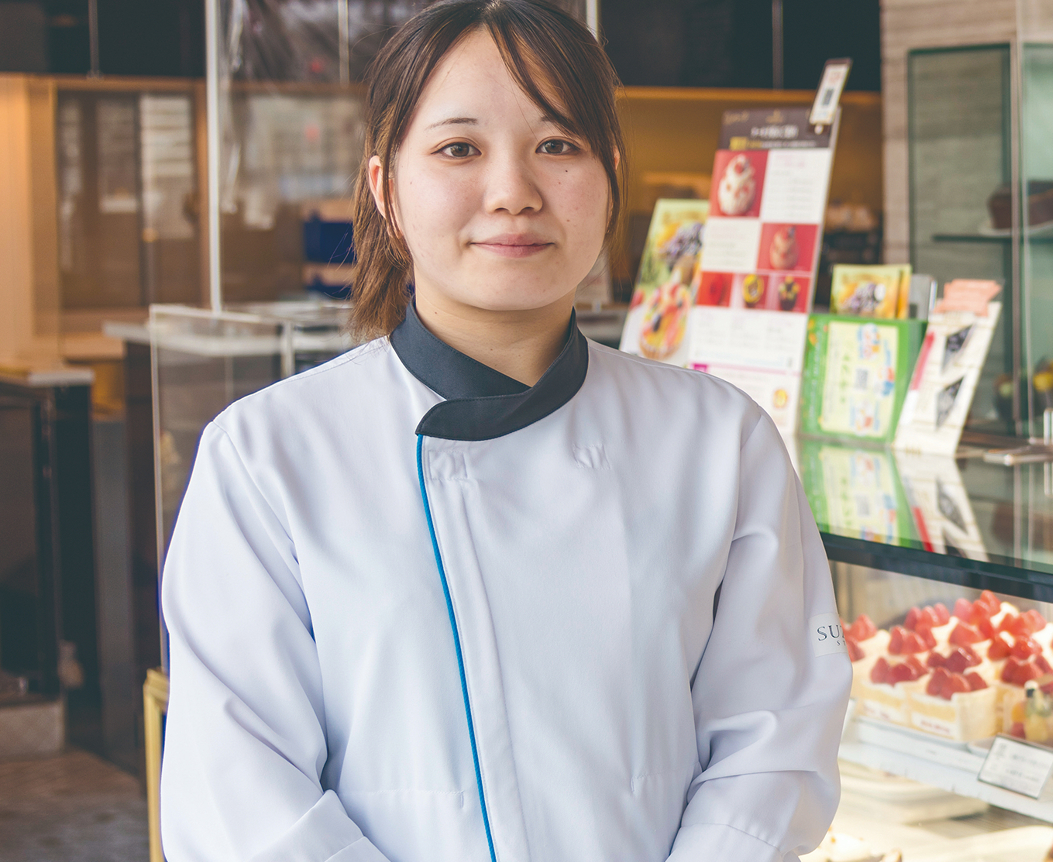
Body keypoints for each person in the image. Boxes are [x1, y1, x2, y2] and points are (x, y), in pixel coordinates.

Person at [157, 2, 851, 860]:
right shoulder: (269, 458)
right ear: (386, 190)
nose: (513, 192)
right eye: (459, 149)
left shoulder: (720, 442)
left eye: (558, 145)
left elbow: (775, 744)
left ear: (610, 178)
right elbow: (240, 796)